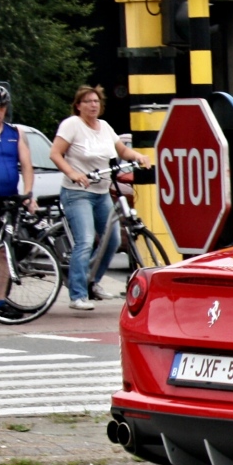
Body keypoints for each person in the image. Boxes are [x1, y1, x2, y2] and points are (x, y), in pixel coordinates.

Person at [50, 85, 149, 310]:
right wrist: (74, 174)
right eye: (87, 102)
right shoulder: (71, 125)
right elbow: (55, 153)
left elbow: (122, 151)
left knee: (113, 239)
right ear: (78, 106)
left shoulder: (104, 127)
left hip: (101, 192)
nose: (93, 105)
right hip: (77, 193)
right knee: (85, 240)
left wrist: (139, 156)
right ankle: (77, 294)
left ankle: (91, 281)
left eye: (95, 101)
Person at [0, 84, 38, 319]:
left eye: (1, 106)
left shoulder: (15, 133)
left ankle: (0, 303)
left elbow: (27, 165)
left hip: (10, 198)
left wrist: (28, 194)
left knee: (3, 251)